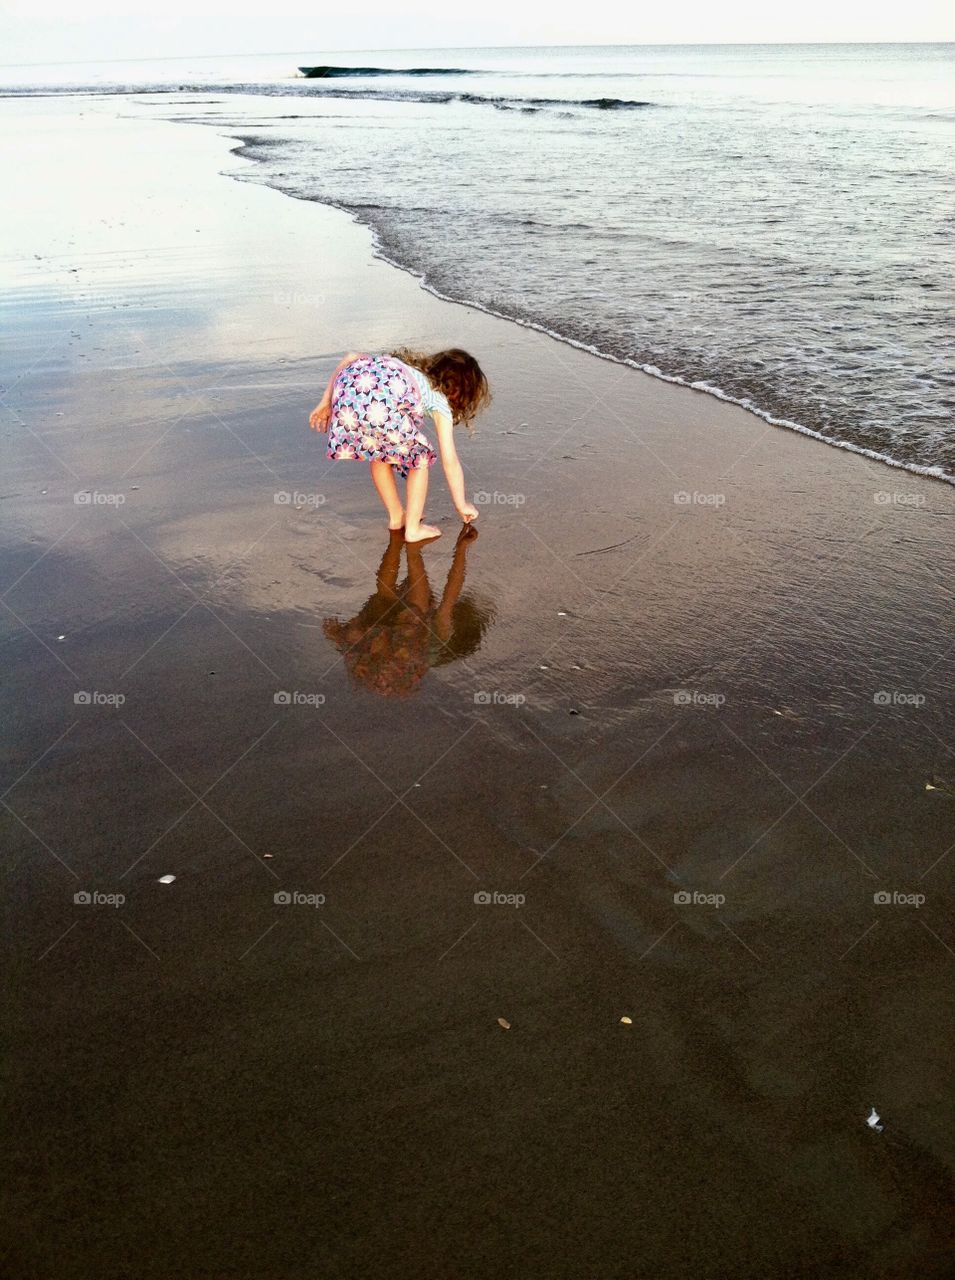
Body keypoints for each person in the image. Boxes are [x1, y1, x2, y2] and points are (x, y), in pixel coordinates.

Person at [309, 347, 491, 541]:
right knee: (420, 460)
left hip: (350, 394)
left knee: (380, 454)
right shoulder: (440, 402)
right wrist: (461, 504)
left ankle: (396, 517)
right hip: (382, 404)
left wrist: (326, 401)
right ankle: (413, 530)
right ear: (460, 392)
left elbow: (350, 357)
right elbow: (450, 460)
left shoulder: (407, 367)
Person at [322, 525, 493, 698]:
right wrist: (461, 548)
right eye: (412, 622)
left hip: (383, 629)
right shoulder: (437, 635)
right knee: (418, 606)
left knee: (383, 597)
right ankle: (413, 551)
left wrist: (339, 633)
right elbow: (451, 594)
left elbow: (380, 598)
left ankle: (395, 540)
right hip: (419, 621)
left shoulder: (363, 642)